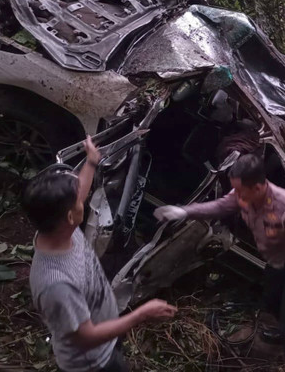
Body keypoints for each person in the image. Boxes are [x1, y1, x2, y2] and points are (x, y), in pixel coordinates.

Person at [154, 153, 285, 372]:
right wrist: (184, 211)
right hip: (275, 264)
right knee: (271, 304)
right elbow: (220, 206)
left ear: (259, 187)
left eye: (241, 192)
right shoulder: (242, 194)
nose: (237, 197)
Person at [24, 137, 177, 372]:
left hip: (106, 327)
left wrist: (92, 162)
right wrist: (141, 315)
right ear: (69, 215)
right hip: (93, 361)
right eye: (78, 201)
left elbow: (79, 194)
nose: (83, 198)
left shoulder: (54, 227)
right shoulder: (56, 285)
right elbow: (86, 337)